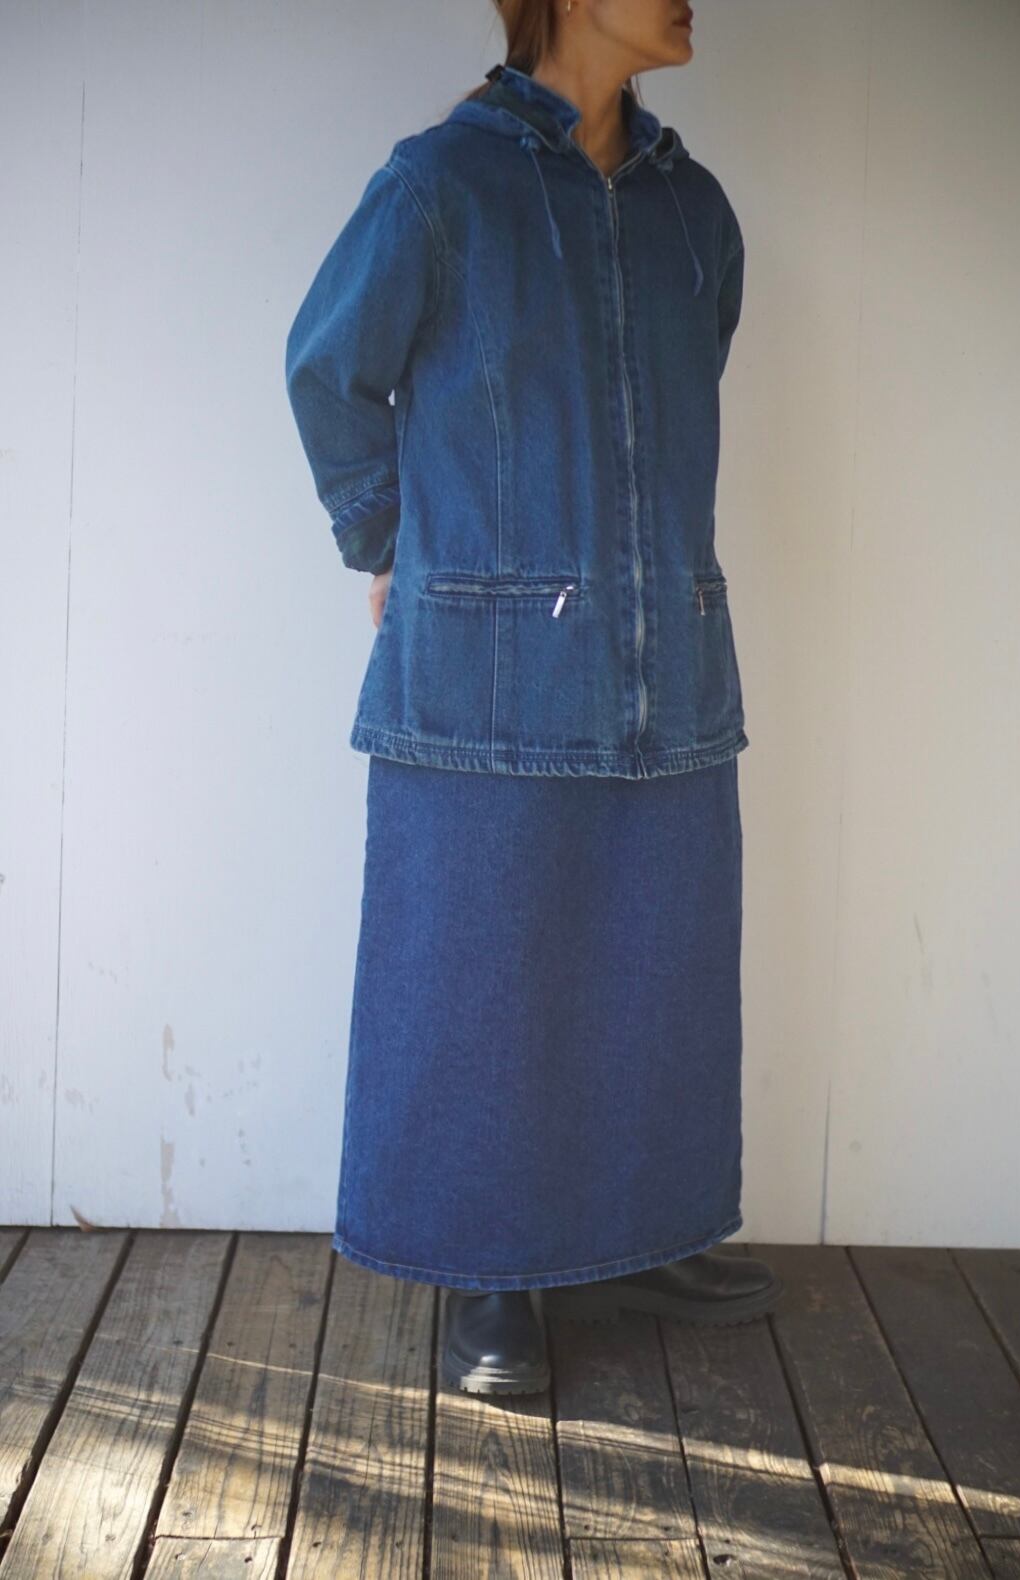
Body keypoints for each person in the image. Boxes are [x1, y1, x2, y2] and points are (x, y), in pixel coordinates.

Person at [284, 0, 782, 1397]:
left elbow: (685, 385)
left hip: (666, 652)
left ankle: (645, 1231)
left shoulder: (696, 212)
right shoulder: (441, 186)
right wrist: (386, 539)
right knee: (481, 973)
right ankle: (488, 1264)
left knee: (660, 968)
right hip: (483, 669)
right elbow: (328, 372)